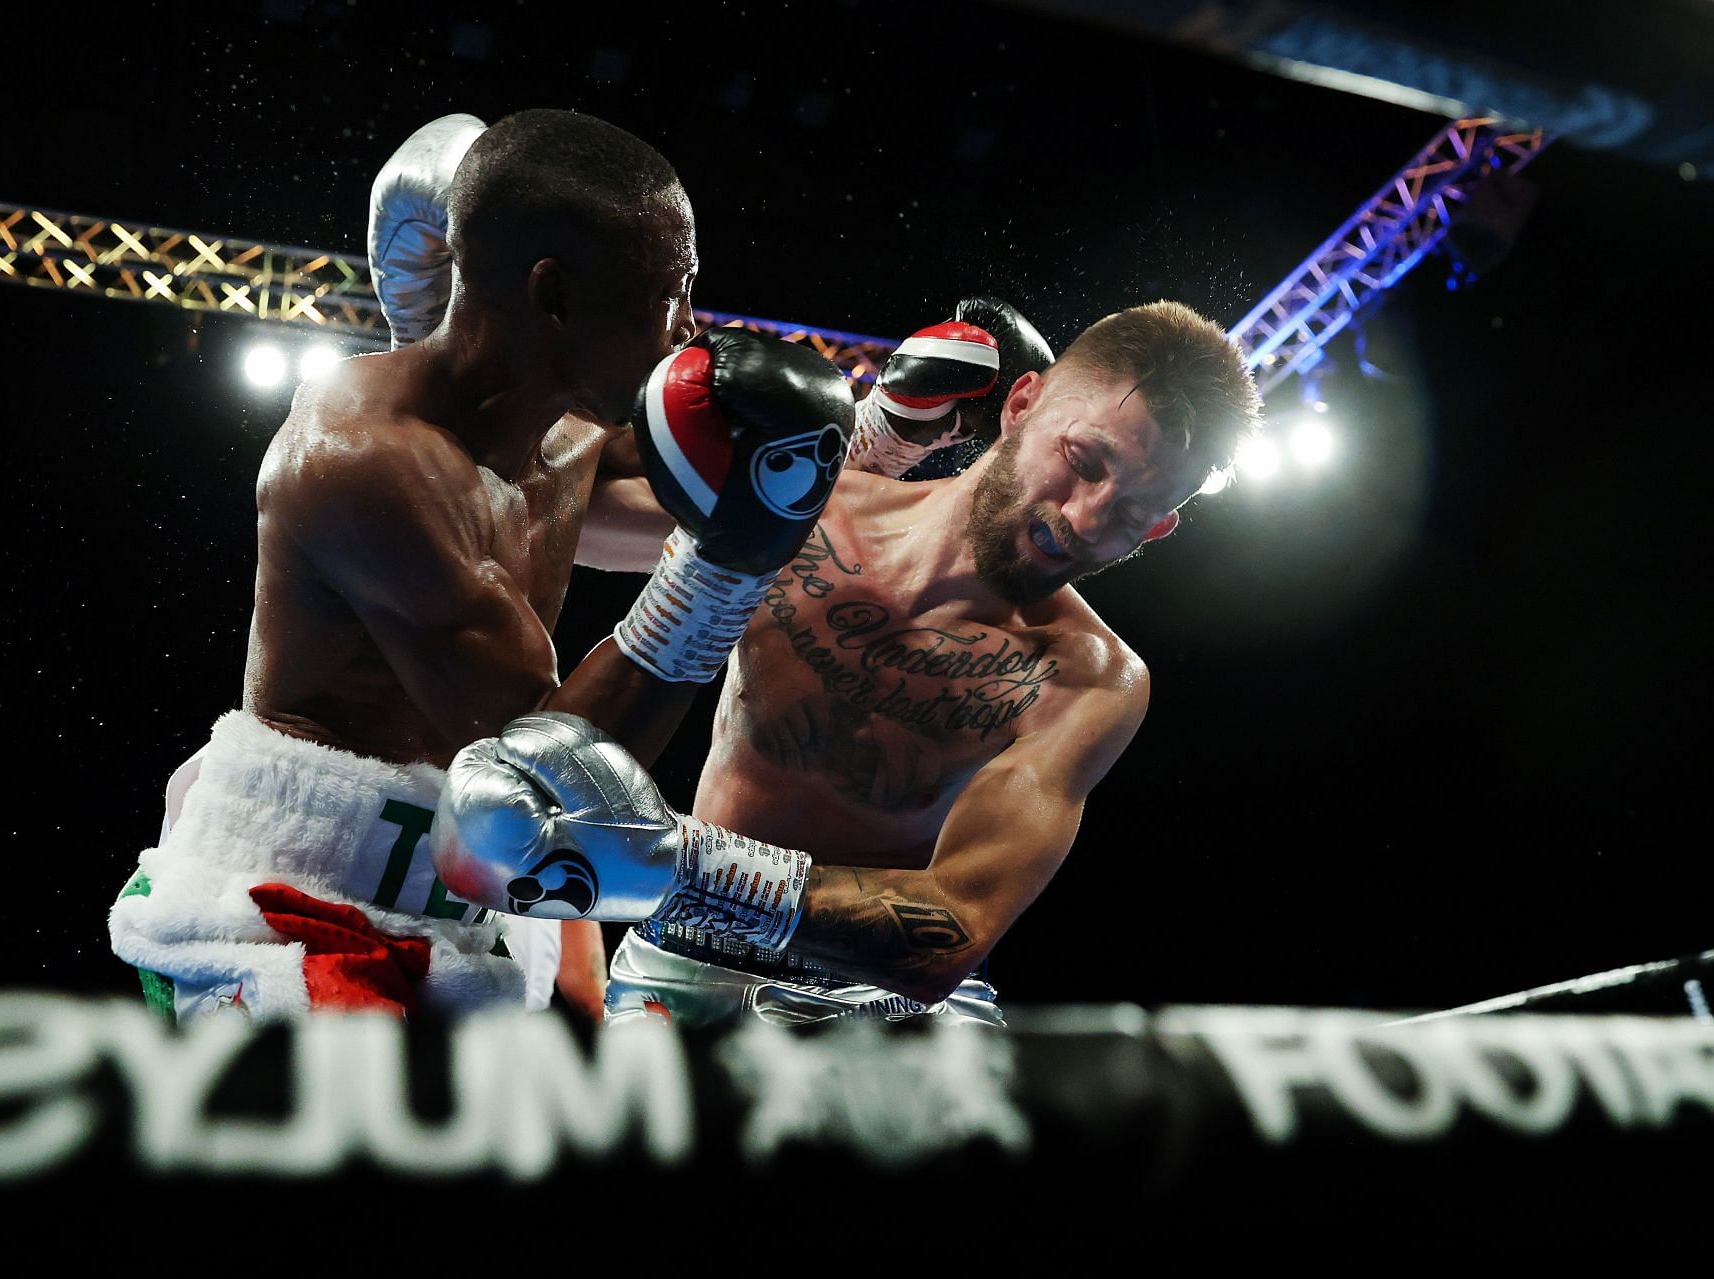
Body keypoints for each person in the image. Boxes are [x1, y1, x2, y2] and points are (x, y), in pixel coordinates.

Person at [108, 108, 853, 1023]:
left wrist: (885, 433)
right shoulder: (364, 462)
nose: (687, 329)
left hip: (460, 918)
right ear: (554, 297)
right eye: (672, 292)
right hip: (290, 910)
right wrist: (725, 564)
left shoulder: (568, 432)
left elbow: (773, 500)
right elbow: (549, 777)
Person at [435, 298, 1262, 1025]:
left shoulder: (1089, 676)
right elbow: (535, 505)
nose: (1084, 519)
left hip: (888, 1003)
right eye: (1082, 462)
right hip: (679, 972)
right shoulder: (809, 507)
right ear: (1020, 403)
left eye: (1135, 512)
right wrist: (872, 435)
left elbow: (956, 929)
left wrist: (668, 858)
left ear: (1160, 529)